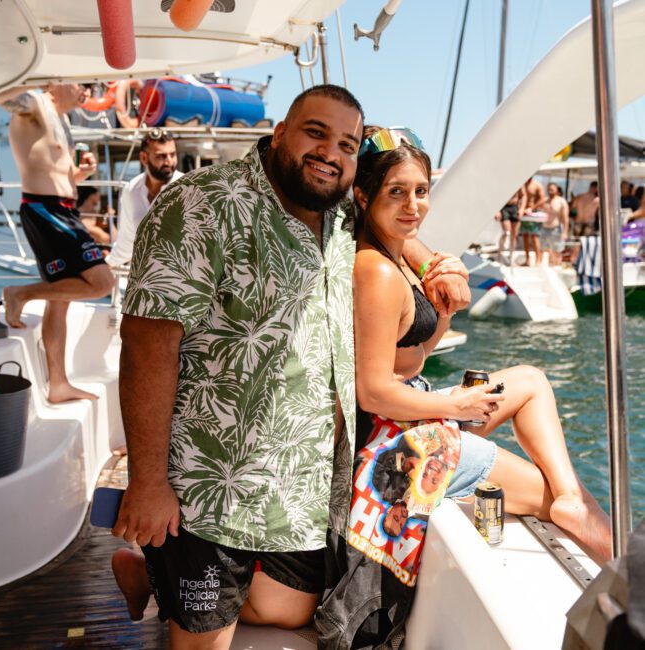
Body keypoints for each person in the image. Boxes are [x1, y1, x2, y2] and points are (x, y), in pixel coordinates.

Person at [109, 86, 470, 649]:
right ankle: (168, 575)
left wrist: (436, 263)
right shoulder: (202, 205)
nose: (330, 152)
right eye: (315, 133)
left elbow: (398, 218)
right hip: (212, 489)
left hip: (303, 489)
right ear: (280, 132)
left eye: (347, 144)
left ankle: (153, 577)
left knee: (289, 611)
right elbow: (146, 345)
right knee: (205, 642)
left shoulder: (341, 211)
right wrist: (149, 483)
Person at [316, 126, 611, 648]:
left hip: (413, 412)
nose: (413, 206)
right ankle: (584, 522)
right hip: (400, 445)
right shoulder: (377, 272)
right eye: (396, 192)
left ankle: (568, 497)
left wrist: (444, 311)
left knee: (530, 381)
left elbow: (408, 359)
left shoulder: (395, 251)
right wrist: (457, 403)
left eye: (421, 191)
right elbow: (373, 390)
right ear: (363, 195)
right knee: (547, 495)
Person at [0, 84, 115, 403]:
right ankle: (21, 293)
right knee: (103, 283)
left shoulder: (61, 119)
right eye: (80, 84)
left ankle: (58, 384)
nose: (86, 89)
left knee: (60, 299)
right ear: (56, 83)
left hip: (61, 209)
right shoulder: (35, 102)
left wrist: (83, 173)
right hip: (45, 210)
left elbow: (59, 176)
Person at [106, 128, 182, 267]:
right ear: (144, 158)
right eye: (161, 156)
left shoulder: (189, 189)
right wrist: (106, 266)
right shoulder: (131, 190)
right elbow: (126, 243)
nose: (169, 162)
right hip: (148, 279)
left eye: (172, 154)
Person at [519, 176, 546, 265]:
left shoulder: (537, 185)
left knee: (535, 237)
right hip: (524, 214)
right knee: (525, 236)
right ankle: (528, 260)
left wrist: (532, 208)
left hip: (533, 214)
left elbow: (543, 199)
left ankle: (538, 260)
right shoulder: (521, 184)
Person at [541, 182, 570, 266]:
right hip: (544, 228)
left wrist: (565, 232)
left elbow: (565, 218)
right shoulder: (545, 200)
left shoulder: (561, 201)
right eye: (549, 189)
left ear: (557, 190)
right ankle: (550, 266)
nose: (550, 191)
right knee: (546, 250)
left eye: (552, 190)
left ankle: (557, 266)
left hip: (556, 228)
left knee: (557, 251)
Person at [494, 186, 525, 264]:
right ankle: (500, 254)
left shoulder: (519, 181)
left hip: (515, 208)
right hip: (504, 208)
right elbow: (495, 194)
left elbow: (524, 195)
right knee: (506, 233)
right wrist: (496, 210)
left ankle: (511, 257)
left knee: (514, 235)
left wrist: (522, 209)